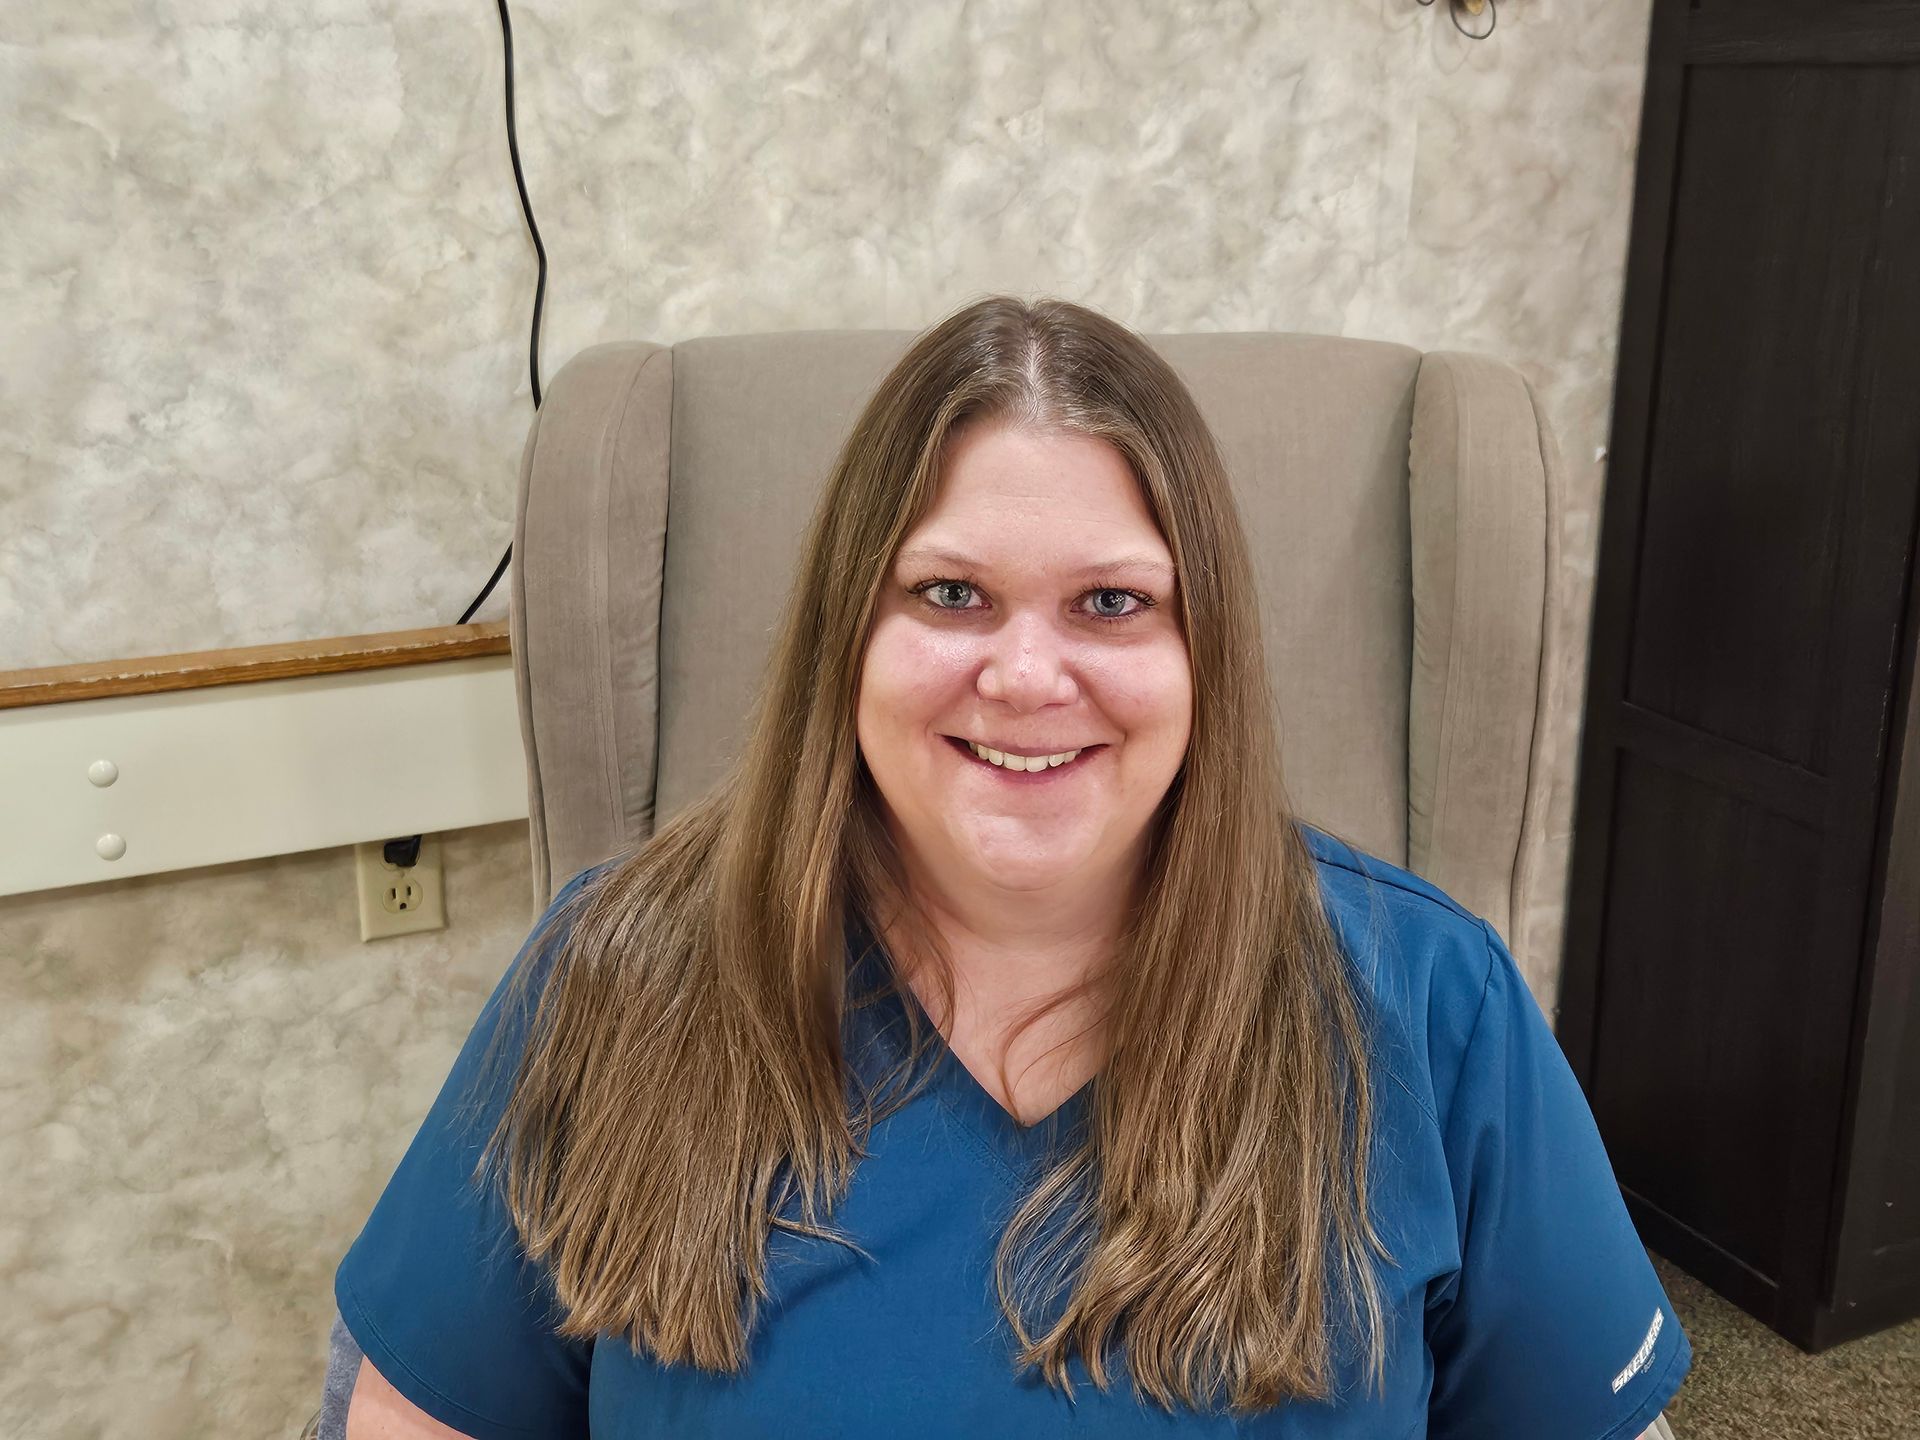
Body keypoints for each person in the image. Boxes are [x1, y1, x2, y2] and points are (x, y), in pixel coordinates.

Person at [332, 295, 1691, 1438]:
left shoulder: (1429, 998)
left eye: (1112, 602)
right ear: (845, 633)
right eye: (949, 594)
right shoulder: (619, 975)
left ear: (1200, 649)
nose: (1026, 675)